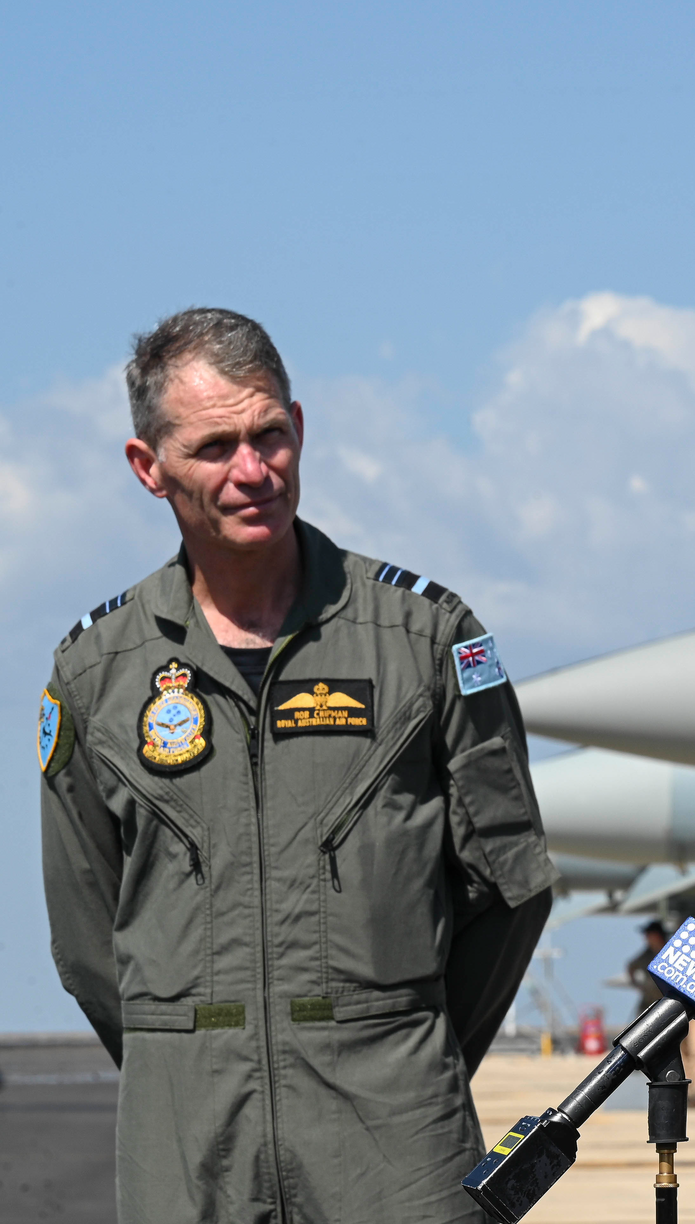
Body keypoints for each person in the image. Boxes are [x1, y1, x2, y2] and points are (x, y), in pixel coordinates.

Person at [38, 308, 556, 1223]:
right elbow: (90, 943)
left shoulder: (426, 639)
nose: (253, 470)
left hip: (396, 1148)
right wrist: (192, 1056)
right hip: (187, 1150)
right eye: (215, 447)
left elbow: (508, 889)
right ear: (147, 467)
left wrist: (403, 1045)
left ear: (300, 427)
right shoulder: (97, 673)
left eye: (270, 433)